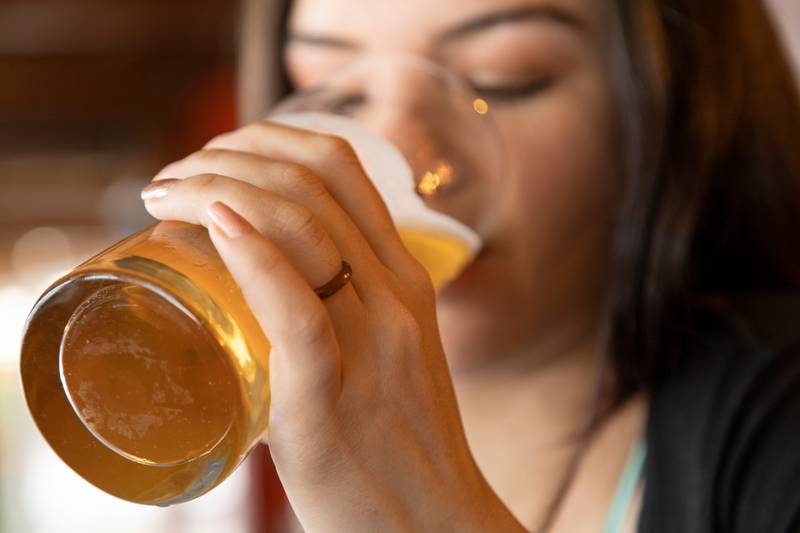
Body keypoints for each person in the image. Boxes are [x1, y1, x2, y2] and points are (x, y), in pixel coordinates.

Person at [139, 0, 800, 531]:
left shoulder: (774, 422)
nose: (392, 160)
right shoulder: (312, 431)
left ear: (667, 107)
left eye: (502, 80)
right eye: (336, 99)